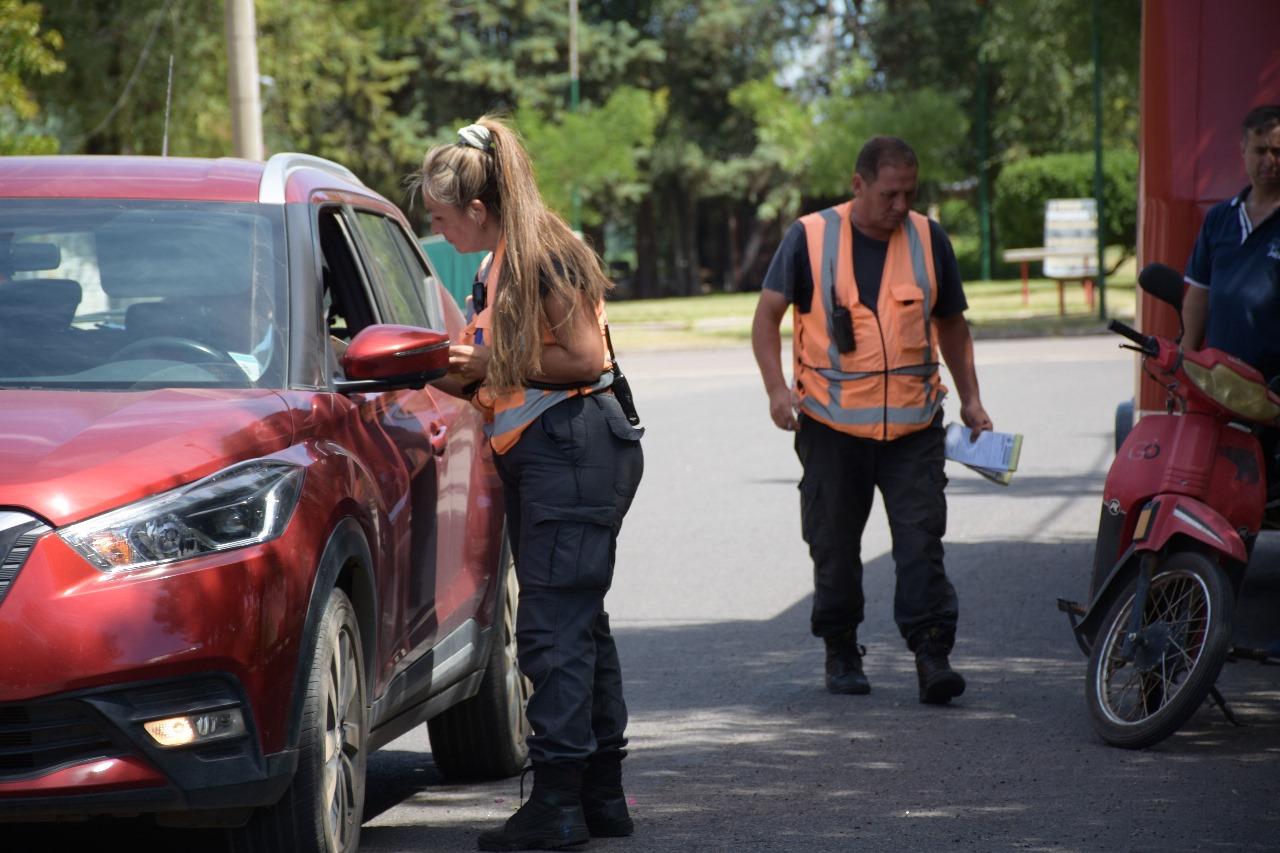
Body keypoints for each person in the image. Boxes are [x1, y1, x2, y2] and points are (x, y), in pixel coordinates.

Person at [415, 116, 644, 851]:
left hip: (572, 451)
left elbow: (582, 360)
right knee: (579, 627)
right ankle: (600, 796)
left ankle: (559, 806)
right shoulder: (501, 262)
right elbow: (501, 369)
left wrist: (489, 368)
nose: (437, 226)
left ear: (478, 210)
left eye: (441, 215)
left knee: (552, 633)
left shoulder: (542, 254)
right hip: (555, 452)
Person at [750, 135, 992, 705]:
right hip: (831, 428)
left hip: (914, 428)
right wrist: (777, 391)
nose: (901, 205)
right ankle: (841, 647)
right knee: (834, 545)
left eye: (910, 193)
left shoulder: (929, 239)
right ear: (858, 185)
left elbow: (953, 325)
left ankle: (932, 654)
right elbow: (765, 319)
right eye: (890, 193)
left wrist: (972, 398)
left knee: (920, 542)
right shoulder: (809, 238)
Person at [1182, 104, 1280, 376]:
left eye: (1277, 152)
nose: (1269, 161)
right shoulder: (1219, 218)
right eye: (1260, 150)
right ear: (1243, 152)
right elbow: (1198, 294)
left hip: (1273, 387)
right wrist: (1187, 356)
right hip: (1221, 381)